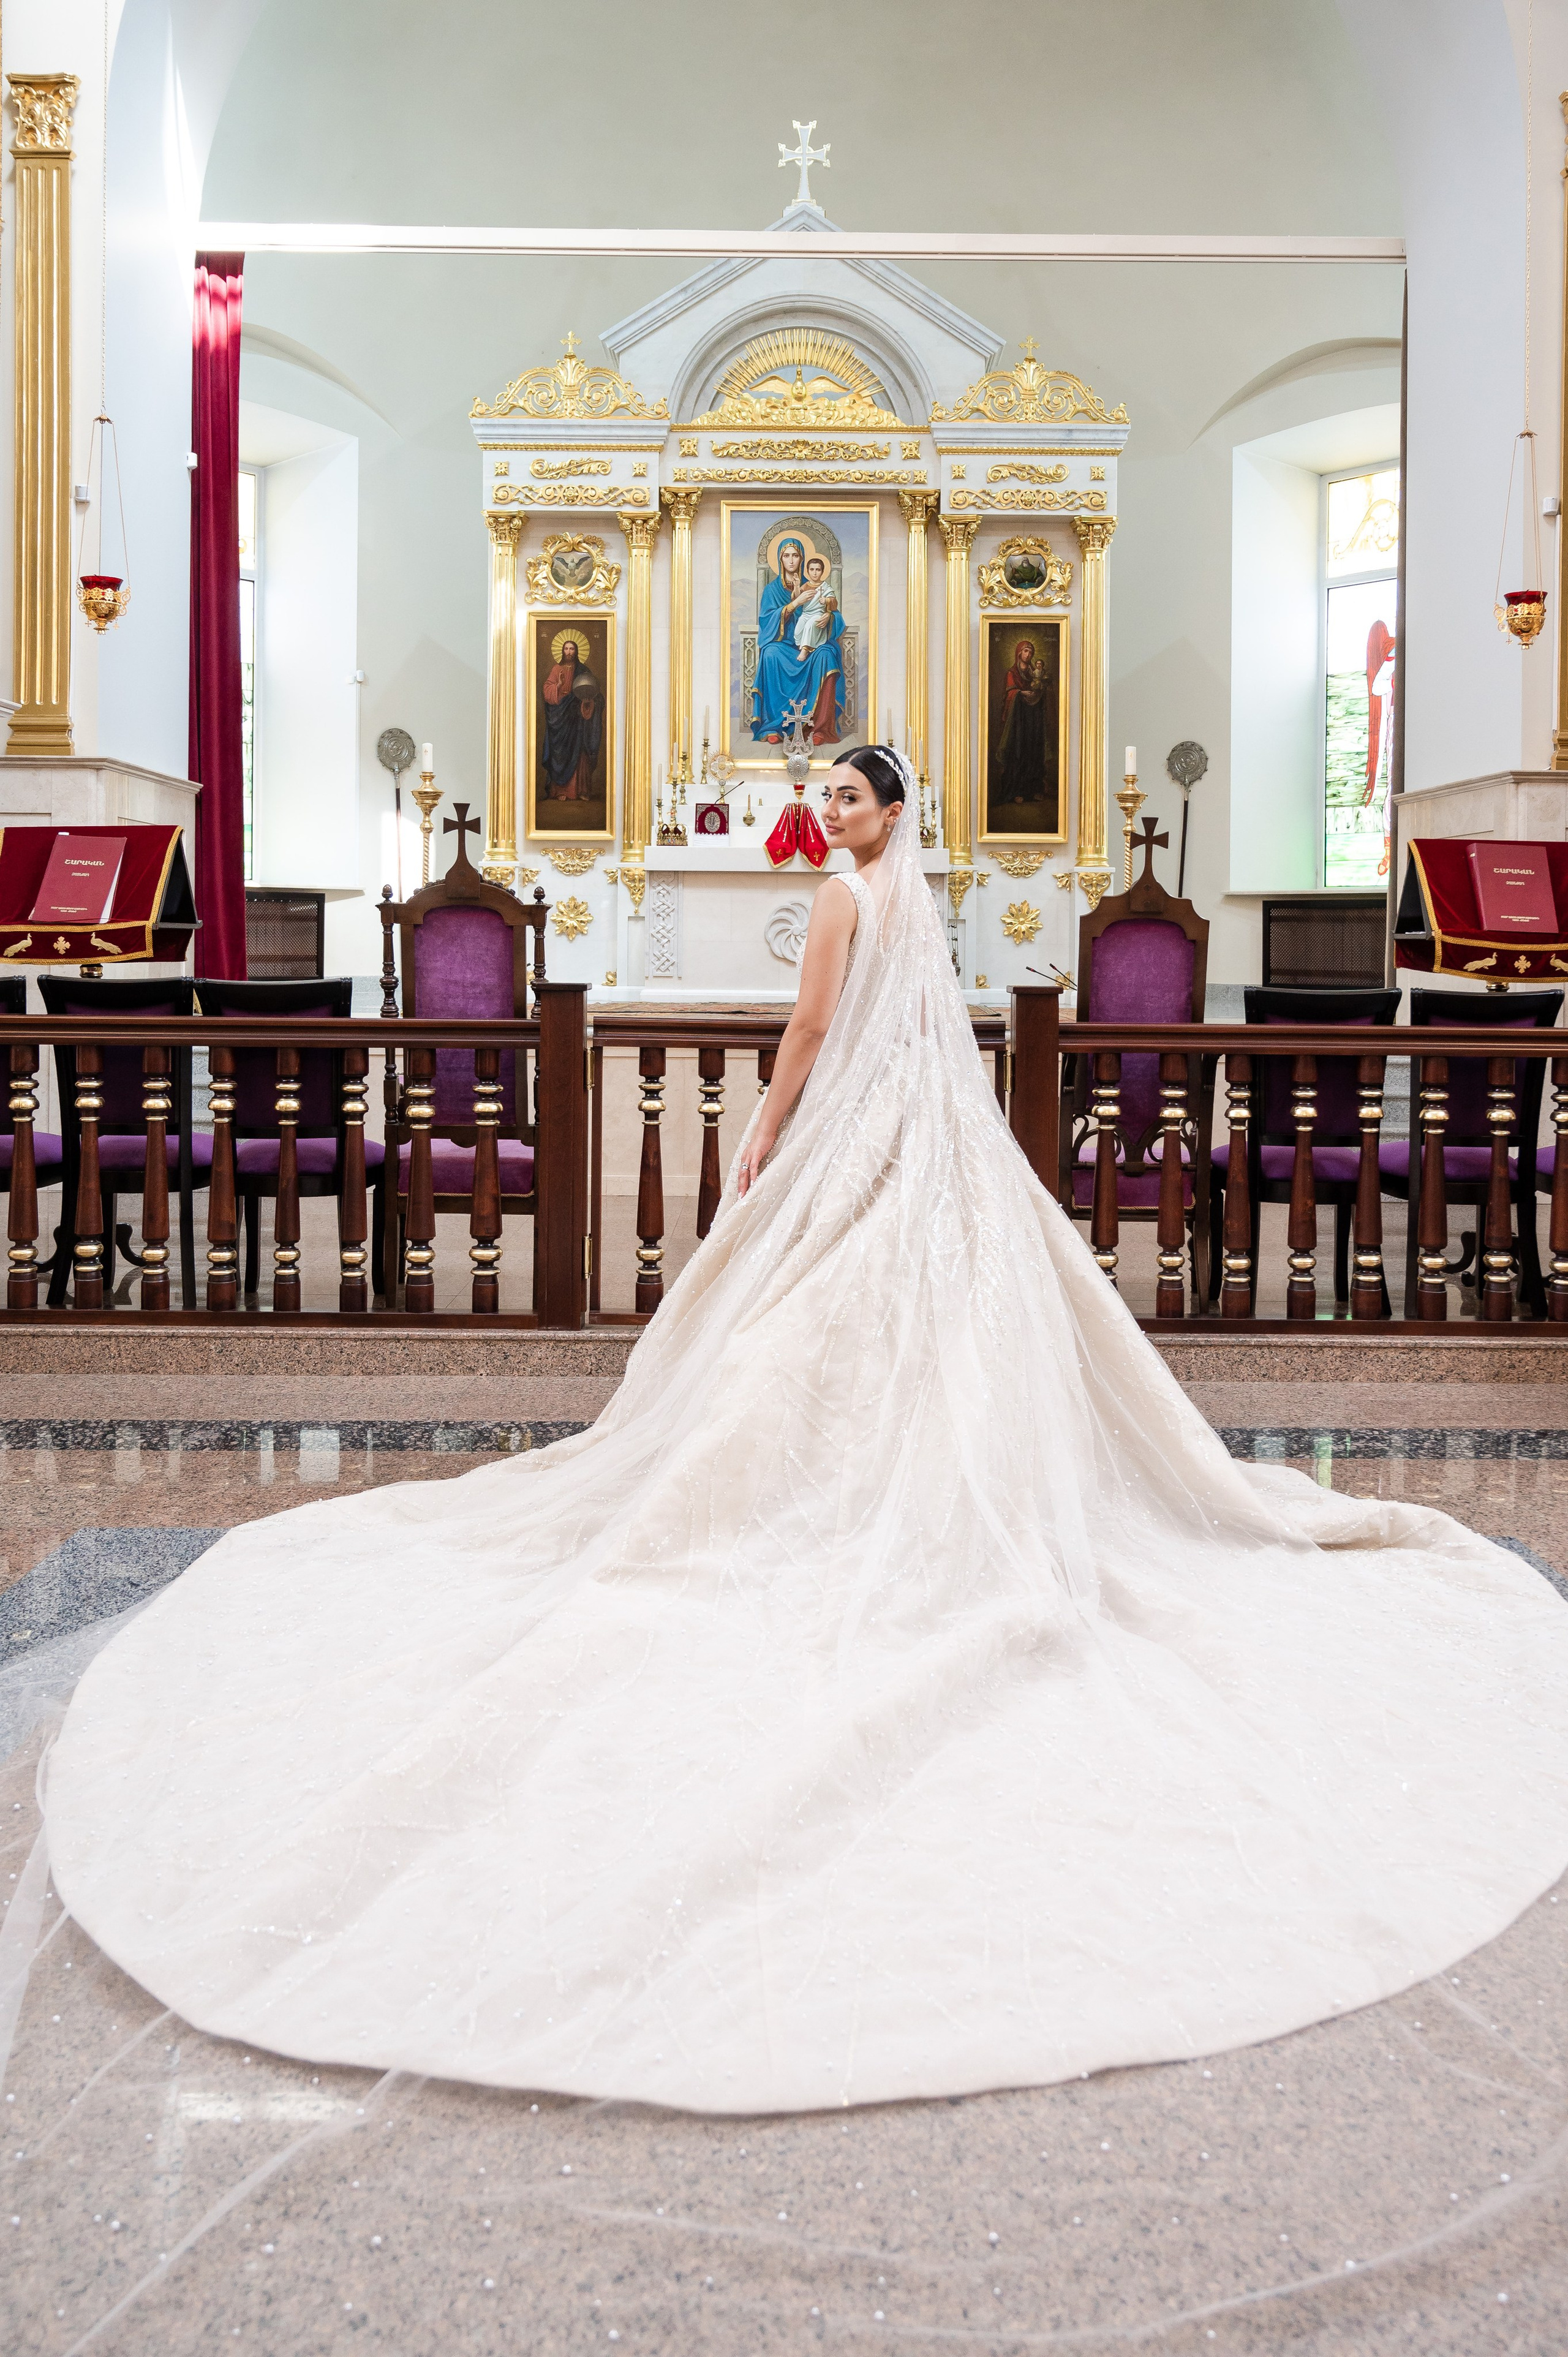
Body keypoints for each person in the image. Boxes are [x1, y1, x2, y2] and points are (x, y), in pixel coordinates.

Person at [42, 747, 1568, 2116]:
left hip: (863, 1128)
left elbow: (811, 1029)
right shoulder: (917, 898)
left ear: (891, 811)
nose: (829, 810)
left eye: (849, 794)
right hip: (934, 1134)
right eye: (825, 794)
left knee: (793, 1319)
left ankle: (818, 1492)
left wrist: (765, 1131)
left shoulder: (844, 896)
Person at [751, 536, 845, 744]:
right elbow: (766, 620)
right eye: (787, 556)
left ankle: (820, 728)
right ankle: (774, 726)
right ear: (780, 559)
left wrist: (829, 617)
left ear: (802, 559)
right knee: (770, 653)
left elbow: (837, 615)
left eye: (795, 556)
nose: (791, 560)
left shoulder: (814, 585)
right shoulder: (772, 590)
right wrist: (795, 604)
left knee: (827, 655)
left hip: (813, 644)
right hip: (784, 644)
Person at [539, 636, 603, 802]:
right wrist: (559, 685)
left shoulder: (583, 671)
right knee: (561, 753)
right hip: (560, 717)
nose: (569, 652)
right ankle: (561, 791)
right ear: (562, 651)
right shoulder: (556, 669)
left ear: (576, 651)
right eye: (566, 649)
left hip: (577, 718)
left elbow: (593, 693)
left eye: (572, 649)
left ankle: (581, 790)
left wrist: (588, 701)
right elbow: (547, 692)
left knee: (580, 752)